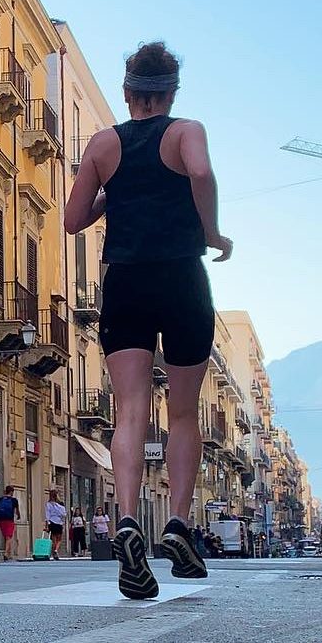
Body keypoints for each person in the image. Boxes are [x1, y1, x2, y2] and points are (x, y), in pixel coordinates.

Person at [64, 40, 230, 597]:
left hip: (126, 281)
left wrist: (115, 195)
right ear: (170, 92)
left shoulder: (103, 144)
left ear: (129, 92)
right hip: (181, 276)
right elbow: (201, 174)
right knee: (182, 414)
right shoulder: (186, 131)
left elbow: (72, 219)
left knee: (130, 407)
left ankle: (130, 520)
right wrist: (210, 233)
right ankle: (178, 524)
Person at [0, 485, 21, 561]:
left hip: (1, 519)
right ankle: (6, 553)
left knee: (6, 537)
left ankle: (9, 554)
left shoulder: (0, 499)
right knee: (9, 537)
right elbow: (17, 510)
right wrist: (19, 516)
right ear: (11, 492)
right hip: (9, 519)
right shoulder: (14, 500)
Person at [44, 489, 67, 560]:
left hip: (52, 522)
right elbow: (64, 514)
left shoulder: (48, 504)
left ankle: (54, 550)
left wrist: (47, 524)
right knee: (59, 539)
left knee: (53, 538)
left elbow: (47, 515)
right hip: (59, 522)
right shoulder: (60, 504)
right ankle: (56, 550)